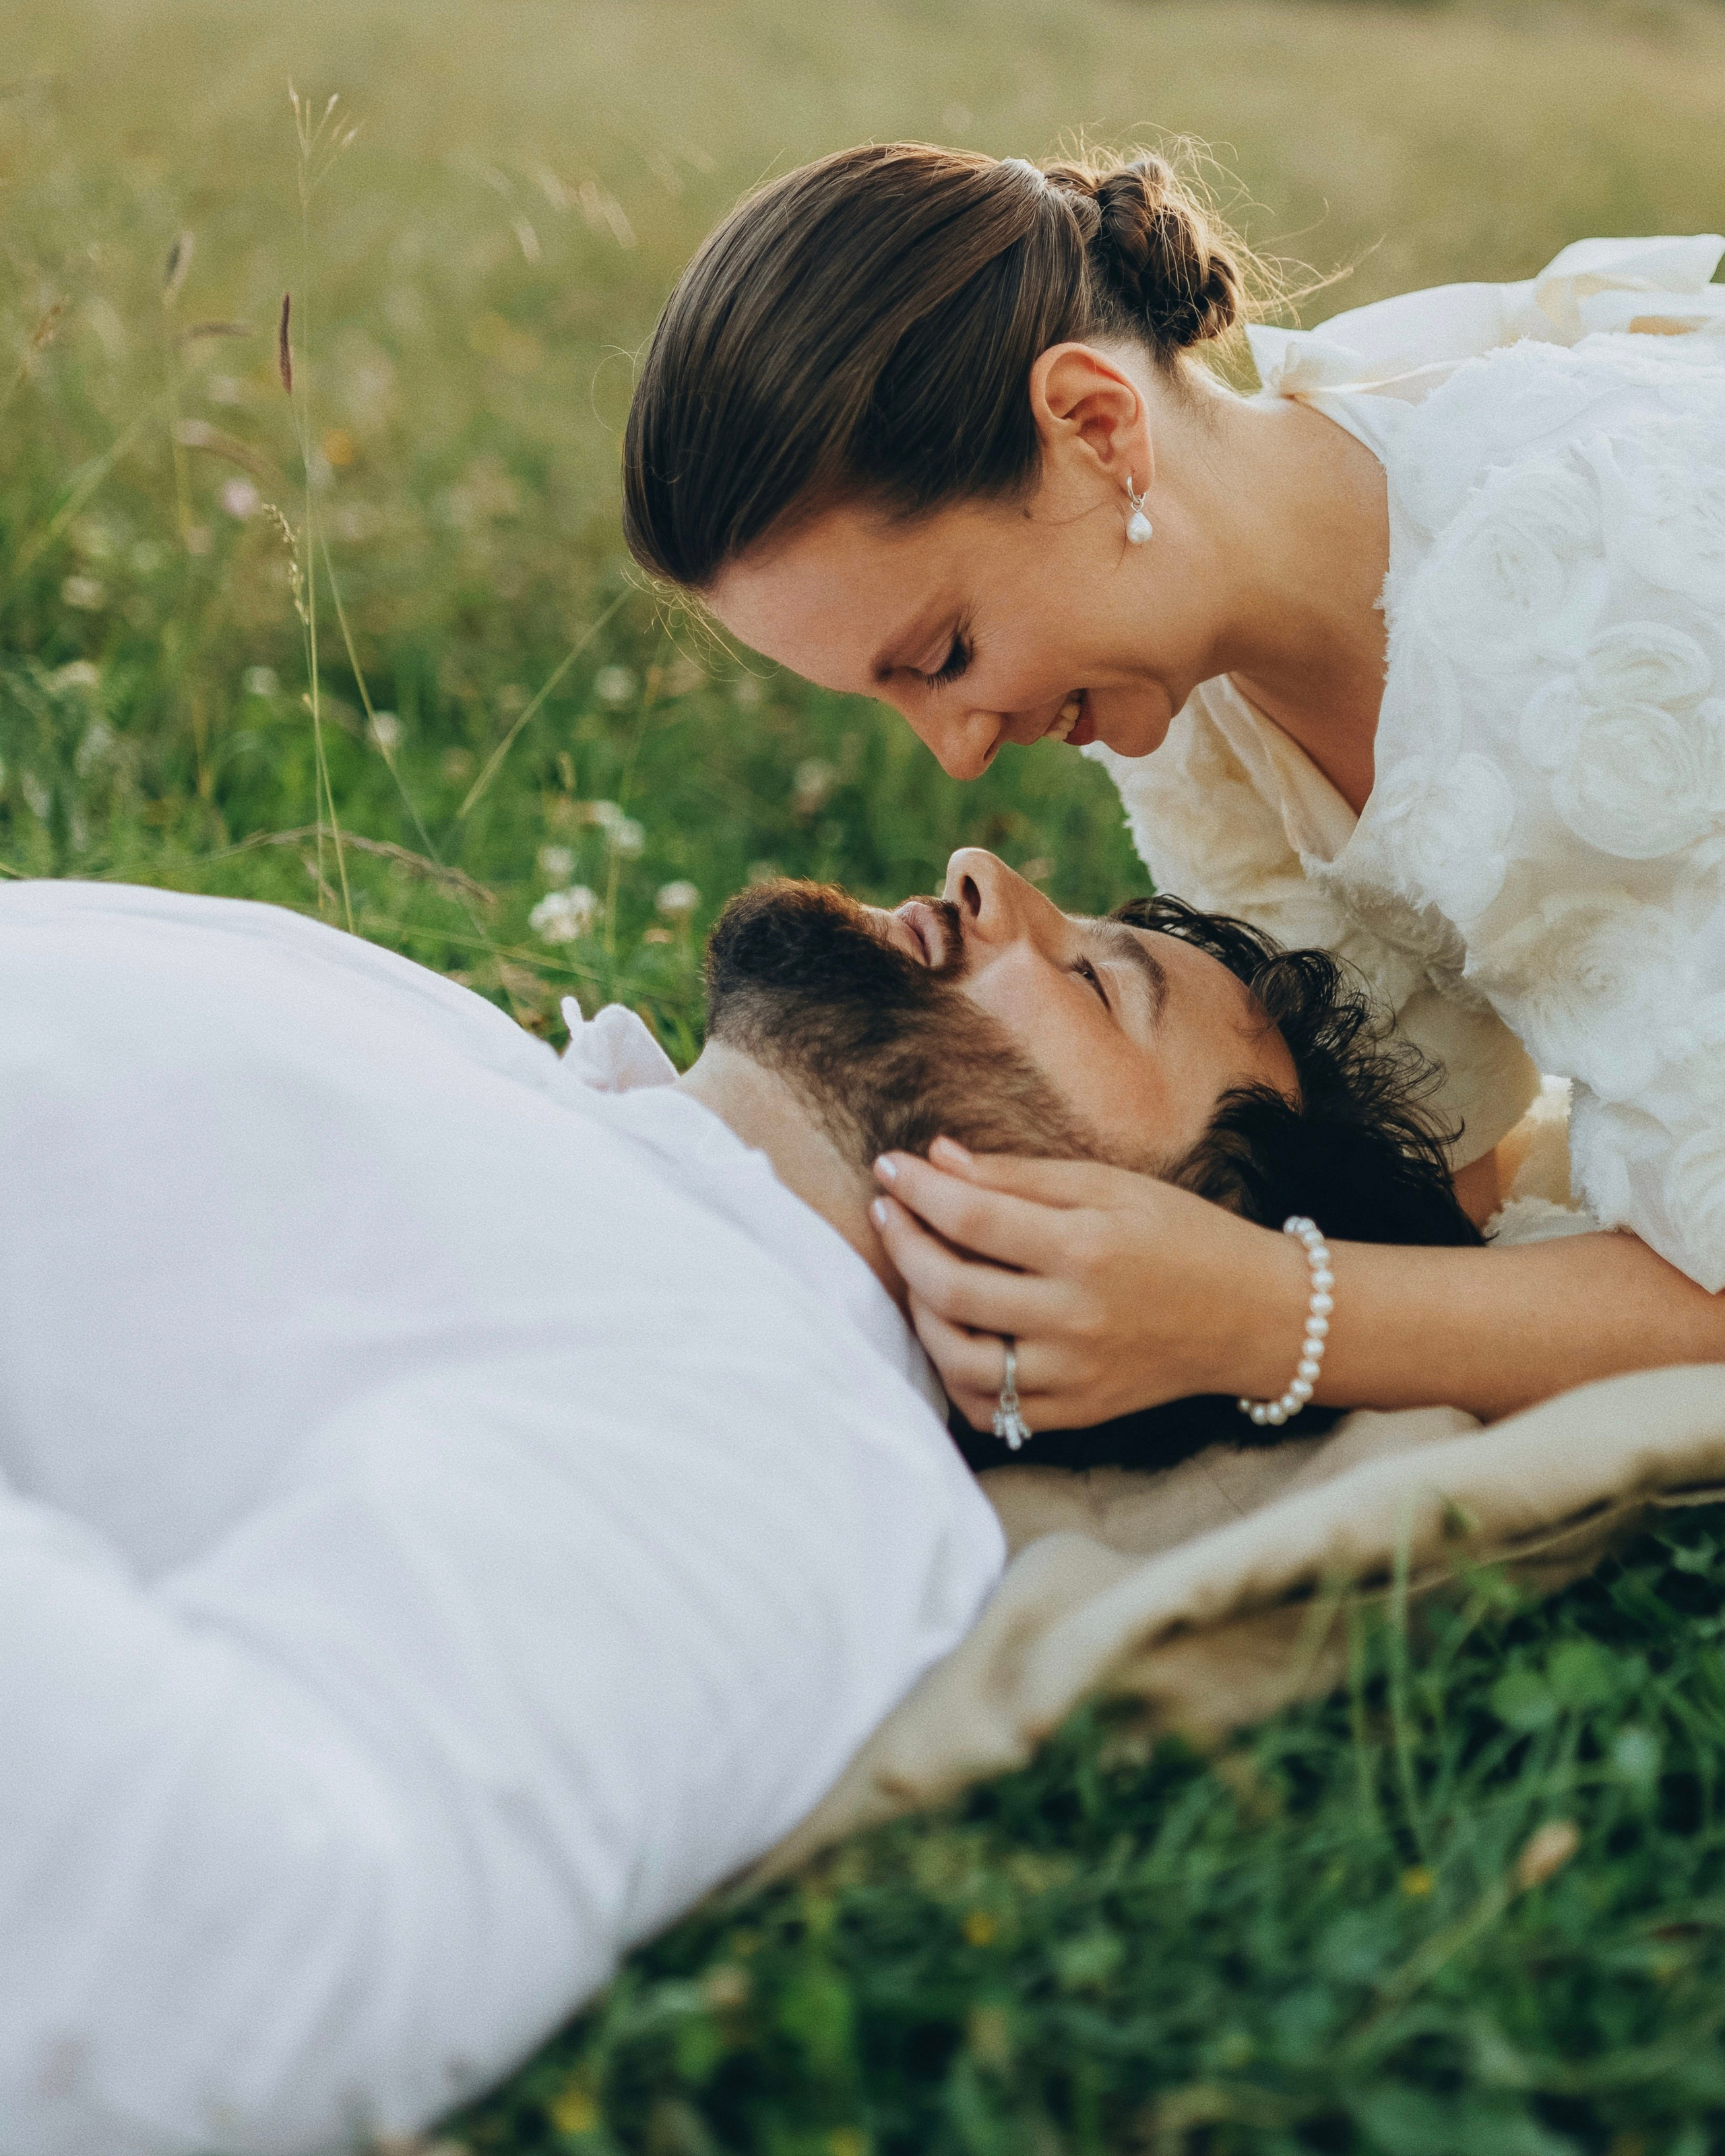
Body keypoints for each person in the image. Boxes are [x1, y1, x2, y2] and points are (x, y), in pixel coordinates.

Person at [0, 855, 1468, 2156]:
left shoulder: (768, 1430)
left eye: (1093, 984)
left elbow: (263, 1960)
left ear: (1148, 1257)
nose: (984, 876)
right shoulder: (511, 1077)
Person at [620, 141, 1725, 1432]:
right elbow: (1428, 1175)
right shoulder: (1198, 705)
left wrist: (1264, 1316)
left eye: (946, 656)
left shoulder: (1604, 623)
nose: (960, 755)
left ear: (1097, 425)